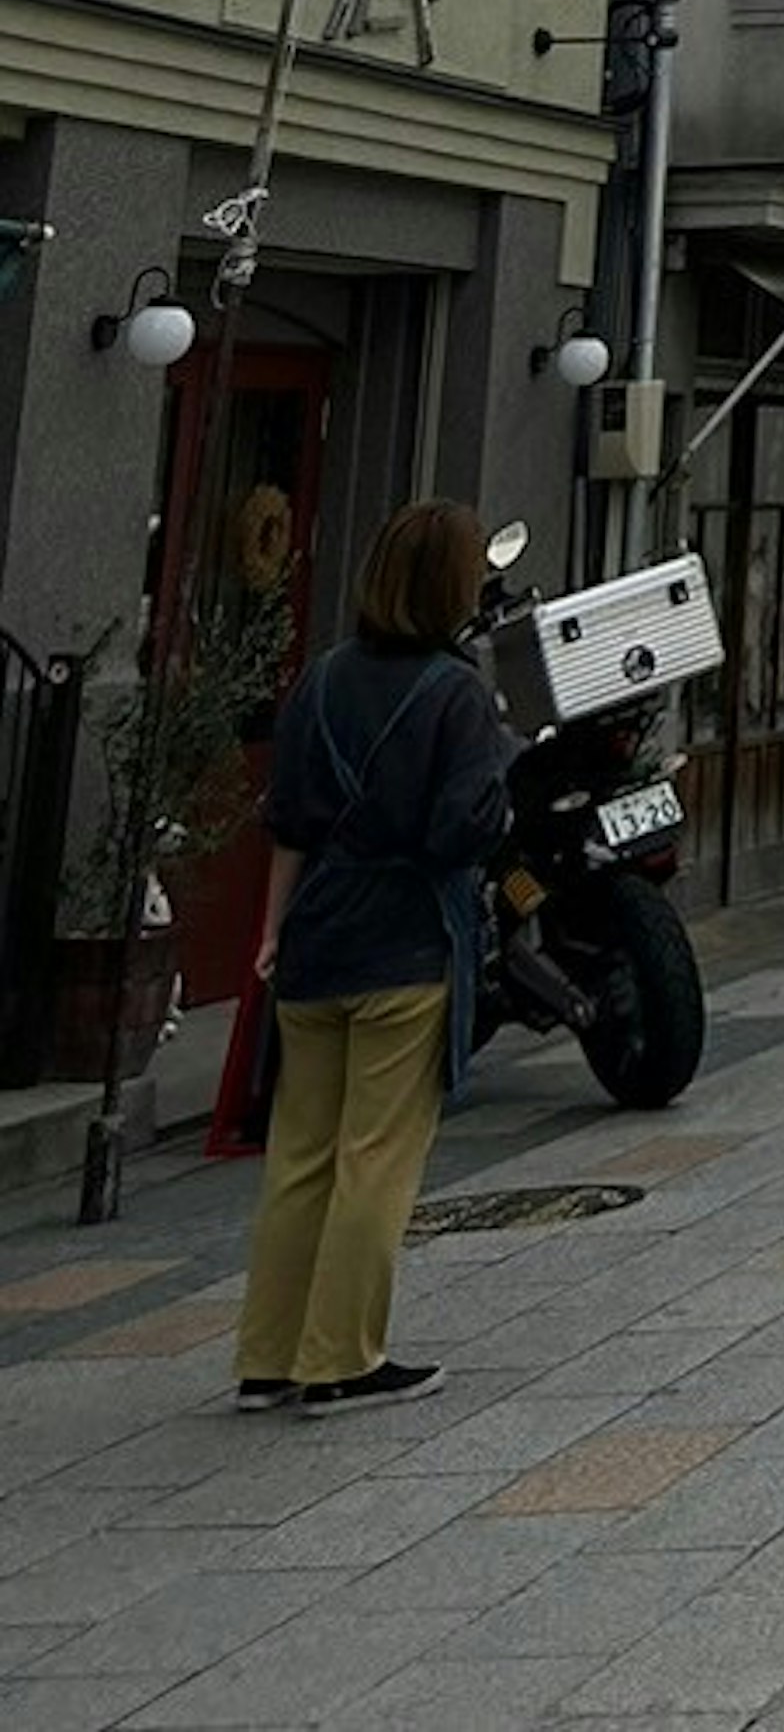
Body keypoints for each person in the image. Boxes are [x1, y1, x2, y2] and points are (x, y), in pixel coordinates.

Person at [233, 499, 514, 1412]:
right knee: (375, 1156)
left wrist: (271, 931)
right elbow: (458, 829)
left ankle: (268, 1354)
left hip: (316, 936)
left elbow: (289, 820)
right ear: (454, 585)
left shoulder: (319, 679)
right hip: (405, 941)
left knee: (300, 1154)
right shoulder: (457, 690)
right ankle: (341, 1357)